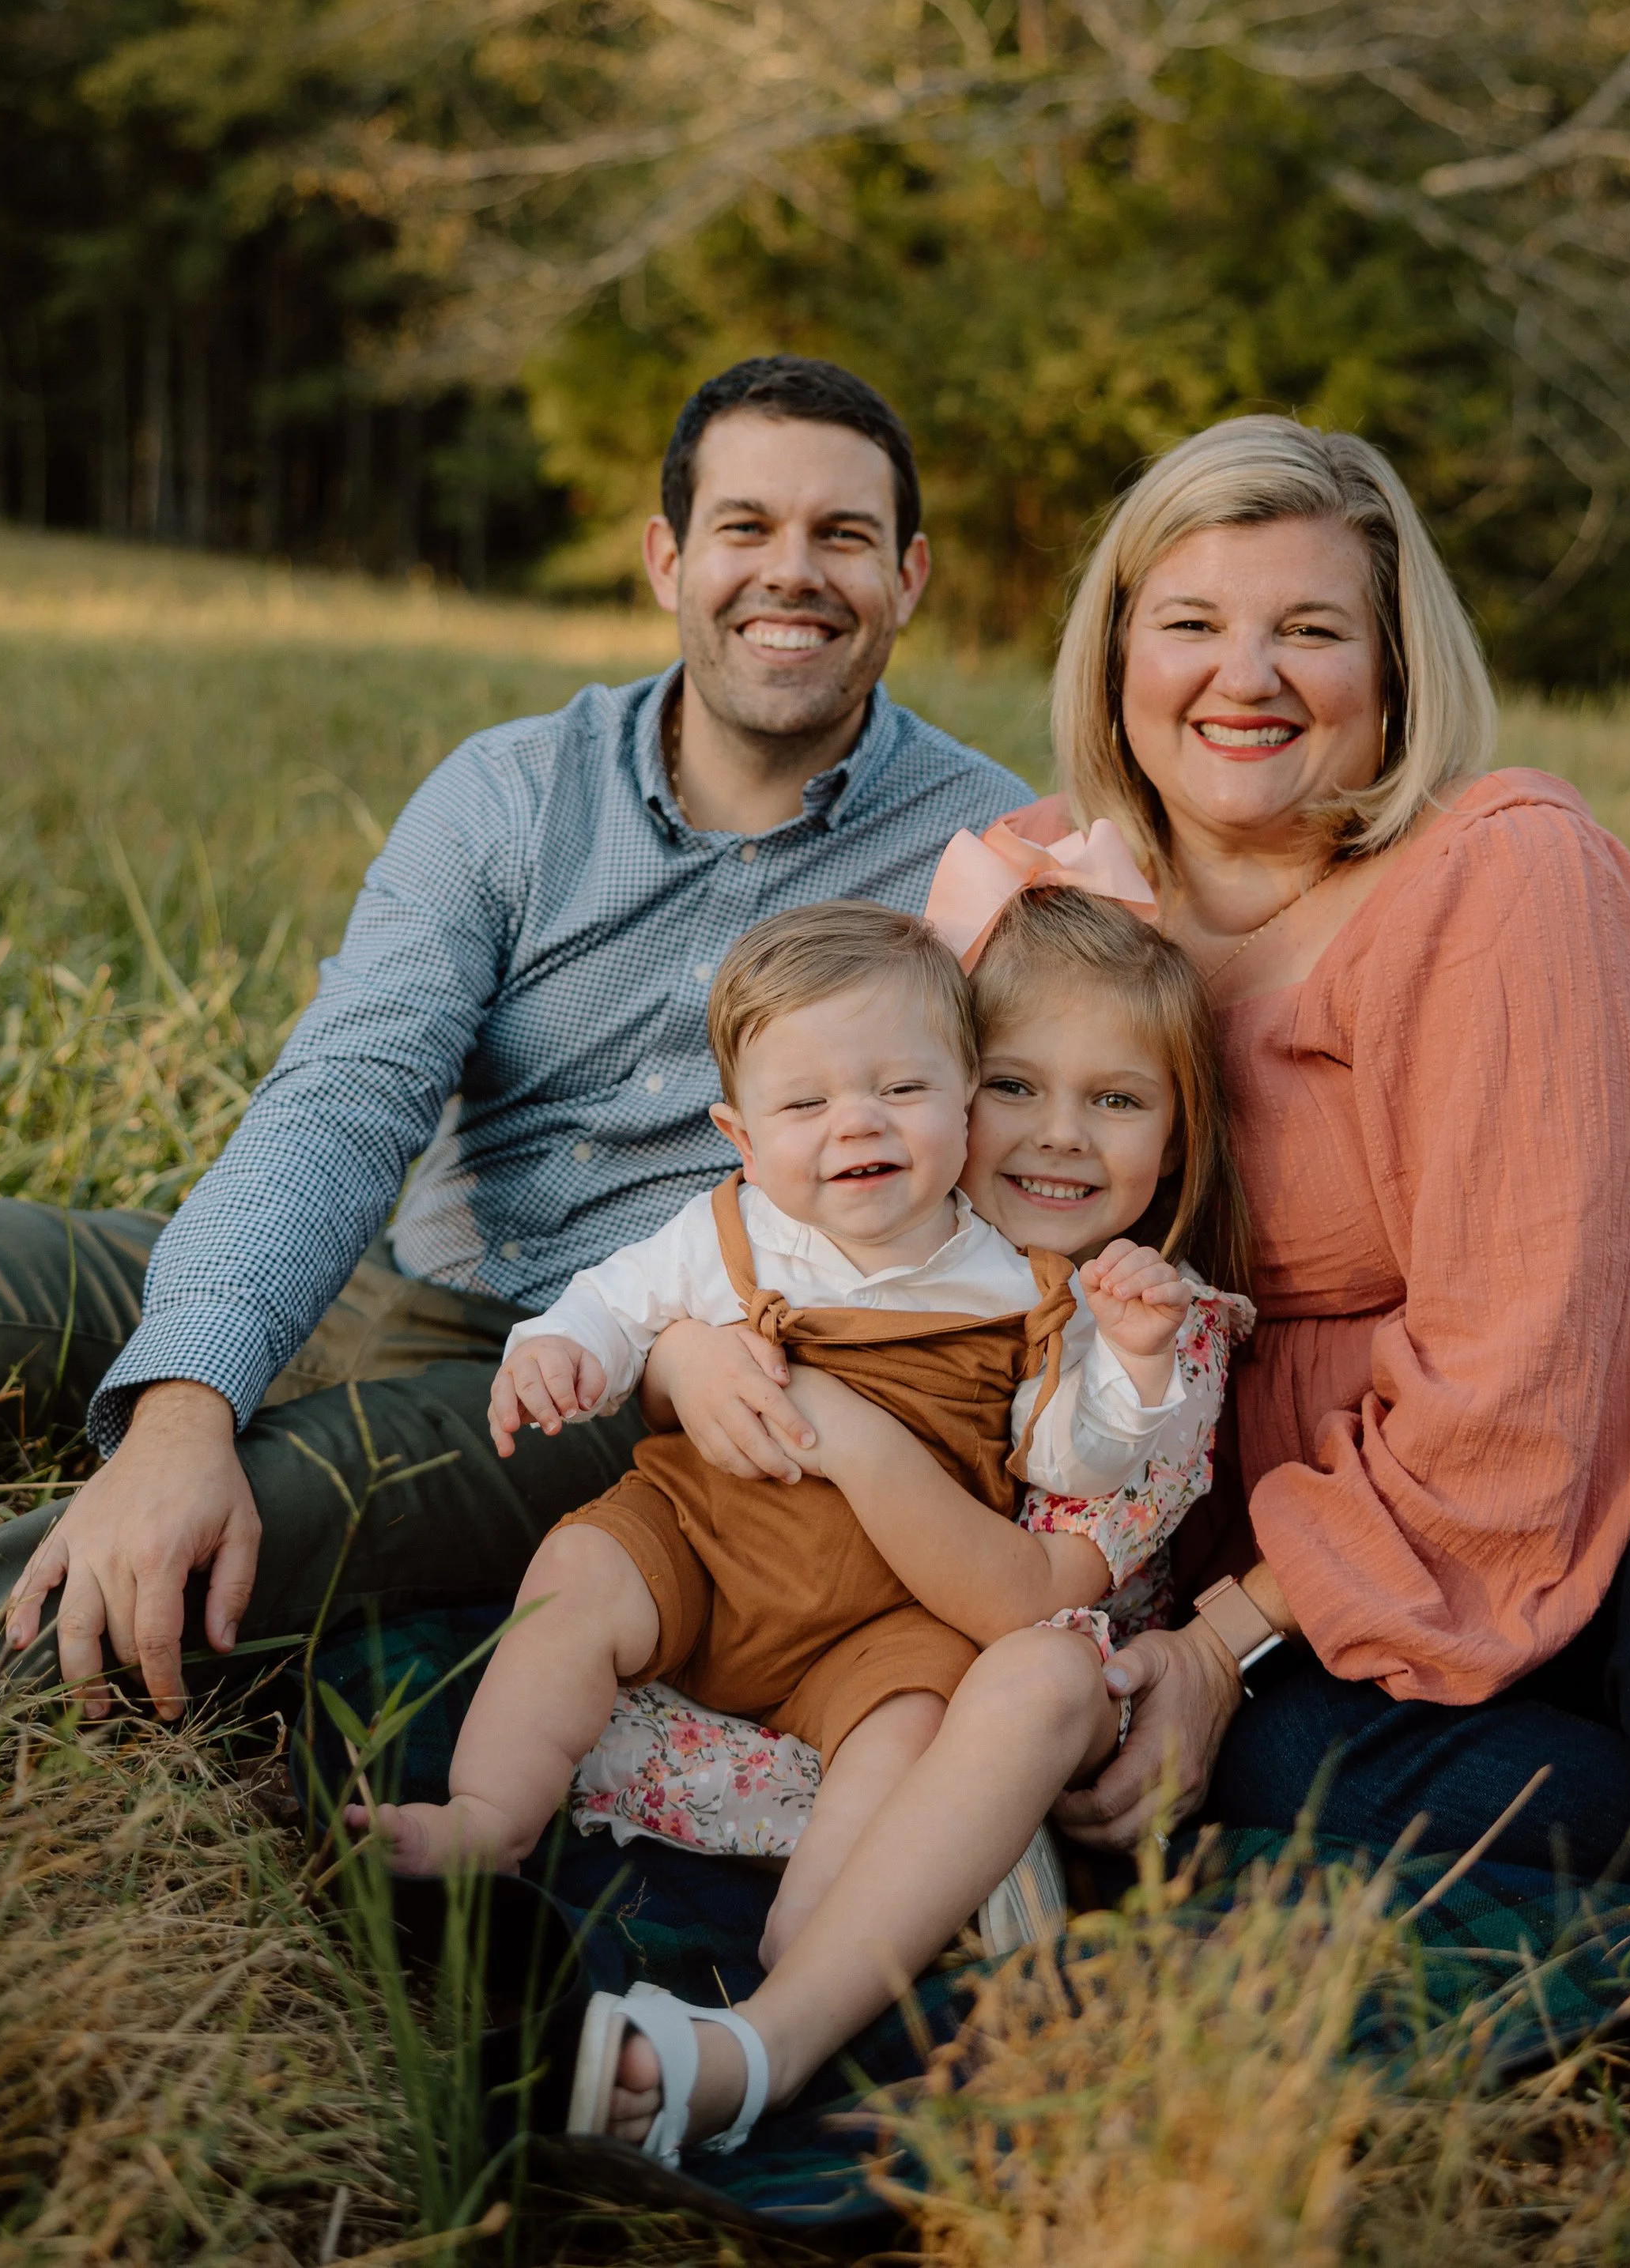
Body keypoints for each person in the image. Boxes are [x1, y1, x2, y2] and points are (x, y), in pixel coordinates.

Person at [0, 357, 1032, 1721]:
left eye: (844, 536)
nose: (794, 573)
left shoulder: (977, 854)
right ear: (667, 558)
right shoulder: (515, 789)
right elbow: (347, 1094)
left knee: (243, 1516)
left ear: (911, 575)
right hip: (386, 1275)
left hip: (602, 1386)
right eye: (747, 528)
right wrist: (183, 1406)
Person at [995, 413, 1630, 1877]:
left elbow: (1531, 1378)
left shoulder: (1503, 881)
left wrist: (1220, 1641)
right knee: (1278, 1766)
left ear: (1392, 673)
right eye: (1191, 621)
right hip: (1332, 1529)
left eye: (1310, 628)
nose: (1244, 676)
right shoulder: (1052, 898)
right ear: (1120, 656)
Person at [364, 896, 1195, 2160]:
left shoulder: (1026, 1289)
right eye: (806, 1107)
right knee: (578, 1566)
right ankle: (491, 1809)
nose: (856, 1123)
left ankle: (806, 1954)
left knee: (905, 1727)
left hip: (886, 1621)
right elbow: (612, 1299)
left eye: (900, 1088)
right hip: (704, 1545)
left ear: (958, 1103)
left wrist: (1130, 1368)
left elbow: (1077, 1463)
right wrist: (555, 1354)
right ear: (741, 1138)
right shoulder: (730, 1232)